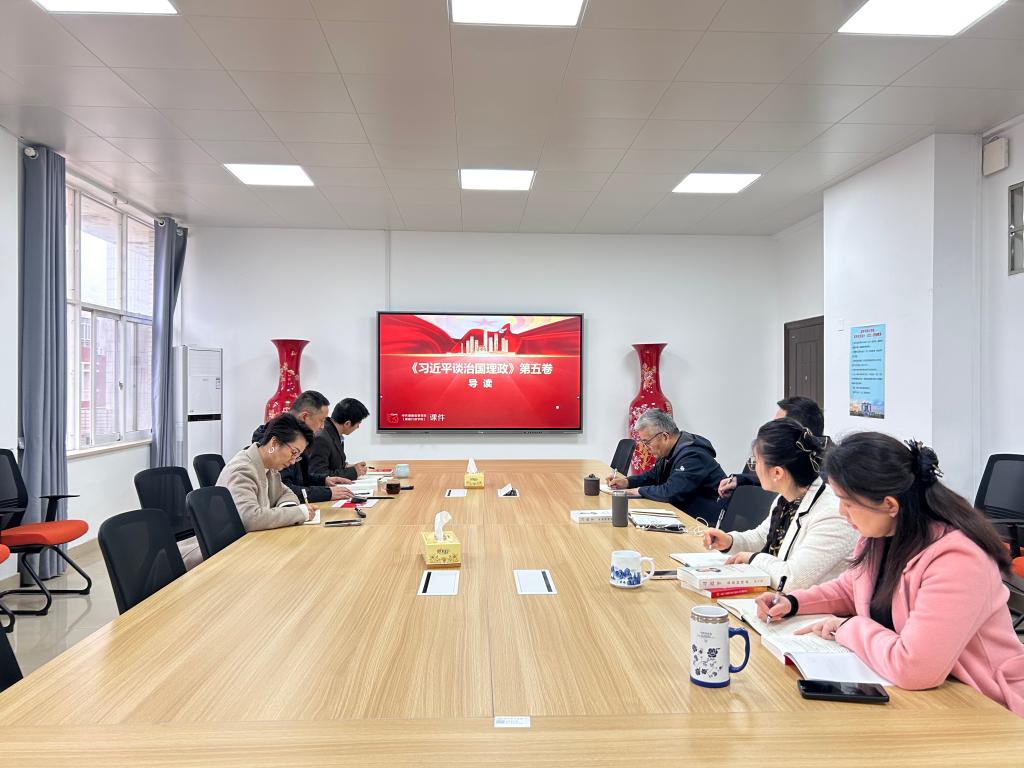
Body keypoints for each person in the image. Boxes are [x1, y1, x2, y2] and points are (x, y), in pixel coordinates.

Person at [755, 433, 1024, 716]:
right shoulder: (879, 535)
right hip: (922, 697)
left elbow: (914, 667)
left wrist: (848, 627)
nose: (842, 512)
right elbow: (851, 589)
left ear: (890, 505)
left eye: (847, 502)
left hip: (989, 705)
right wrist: (793, 602)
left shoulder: (958, 559)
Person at [702, 418, 857, 590]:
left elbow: (792, 580)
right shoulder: (786, 499)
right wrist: (730, 541)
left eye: (756, 462)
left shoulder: (832, 514)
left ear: (777, 473)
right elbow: (762, 538)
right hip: (778, 598)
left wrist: (752, 558)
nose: (754, 469)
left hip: (808, 603)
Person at [606, 409, 725, 521]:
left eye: (647, 442)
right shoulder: (669, 451)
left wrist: (638, 491)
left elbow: (671, 492)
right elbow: (651, 476)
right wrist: (627, 482)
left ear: (664, 437)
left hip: (704, 522)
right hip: (683, 514)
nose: (646, 448)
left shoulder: (693, 455)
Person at [218, 413, 318, 531]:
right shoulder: (242, 470)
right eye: (294, 452)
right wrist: (299, 513)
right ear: (274, 443)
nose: (293, 462)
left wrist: (288, 508)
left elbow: (287, 494)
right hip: (236, 541)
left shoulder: (269, 467)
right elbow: (250, 519)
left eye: (297, 456)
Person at [251, 390, 352, 504]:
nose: (322, 426)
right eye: (321, 420)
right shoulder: (279, 441)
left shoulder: (299, 439)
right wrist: (326, 493)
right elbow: (282, 490)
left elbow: (299, 478)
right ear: (304, 417)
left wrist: (323, 481)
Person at [718, 396, 825, 500]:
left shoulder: (826, 475)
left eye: (779, 425)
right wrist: (741, 480)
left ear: (796, 430)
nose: (773, 429)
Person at [308, 398, 371, 481]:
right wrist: (353, 472)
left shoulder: (334, 432)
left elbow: (333, 464)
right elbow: (318, 474)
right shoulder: (322, 438)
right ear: (347, 423)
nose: (358, 427)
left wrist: (348, 467)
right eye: (358, 424)